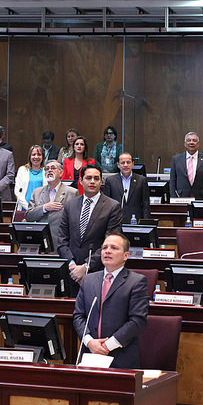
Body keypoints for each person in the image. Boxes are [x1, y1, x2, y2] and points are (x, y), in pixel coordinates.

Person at [72, 233, 149, 369]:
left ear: (126, 255)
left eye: (114, 248)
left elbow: (138, 321)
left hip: (120, 356)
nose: (107, 251)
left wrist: (108, 345)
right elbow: (78, 316)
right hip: (90, 354)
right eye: (104, 248)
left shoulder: (136, 282)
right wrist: (89, 342)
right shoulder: (88, 280)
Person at [57, 164, 122, 290]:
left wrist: (86, 267)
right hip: (71, 272)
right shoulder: (70, 205)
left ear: (101, 181)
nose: (92, 181)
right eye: (88, 178)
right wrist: (72, 266)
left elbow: (111, 243)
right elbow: (62, 240)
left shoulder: (112, 206)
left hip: (97, 272)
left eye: (96, 178)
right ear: (81, 181)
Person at [26, 159, 79, 242]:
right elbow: (29, 216)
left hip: (62, 241)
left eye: (53, 168)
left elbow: (76, 221)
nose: (49, 170)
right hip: (41, 240)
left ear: (61, 173)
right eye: (47, 169)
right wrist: (44, 207)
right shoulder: (37, 192)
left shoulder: (72, 193)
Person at [102, 152, 150, 224]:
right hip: (115, 221)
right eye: (122, 163)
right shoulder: (110, 181)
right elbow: (106, 204)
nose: (125, 165)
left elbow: (145, 204)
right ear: (118, 165)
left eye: (128, 162)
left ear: (133, 164)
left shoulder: (141, 180)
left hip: (135, 221)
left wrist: (145, 223)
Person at [169, 132, 203, 200]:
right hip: (181, 199)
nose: (191, 142)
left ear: (198, 144)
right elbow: (172, 182)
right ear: (185, 144)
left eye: (194, 140)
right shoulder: (176, 159)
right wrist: (173, 199)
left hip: (201, 199)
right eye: (189, 140)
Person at [14, 145, 46, 211]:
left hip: (41, 209)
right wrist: (28, 207)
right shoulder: (22, 170)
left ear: (42, 157)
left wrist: (38, 209)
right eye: (33, 154)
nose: (36, 157)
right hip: (24, 208)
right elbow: (17, 192)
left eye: (39, 154)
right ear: (30, 156)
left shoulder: (46, 171)